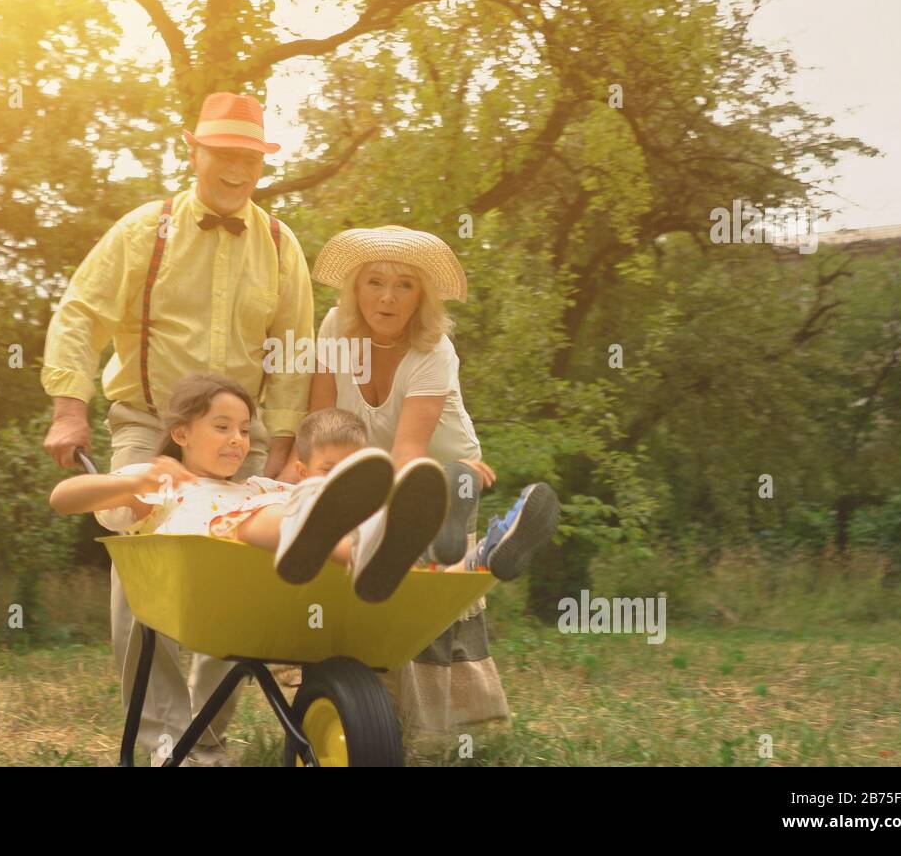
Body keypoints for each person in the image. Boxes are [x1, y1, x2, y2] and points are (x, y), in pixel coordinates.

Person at [40, 92, 313, 765]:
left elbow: (295, 348)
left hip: (237, 433)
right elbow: (81, 313)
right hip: (149, 423)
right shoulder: (145, 230)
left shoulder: (280, 244)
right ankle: (164, 738)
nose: (235, 169)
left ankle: (206, 742)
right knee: (145, 562)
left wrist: (283, 443)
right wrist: (68, 405)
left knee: (234, 577)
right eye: (222, 153)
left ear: (261, 163)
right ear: (194, 150)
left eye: (248, 157)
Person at [291, 225, 561, 734]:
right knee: (374, 582)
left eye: (405, 285)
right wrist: (306, 483)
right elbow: (320, 423)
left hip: (435, 472)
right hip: (357, 467)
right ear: (355, 288)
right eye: (374, 281)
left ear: (423, 296)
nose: (388, 297)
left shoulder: (433, 350)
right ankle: (374, 718)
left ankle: (432, 734)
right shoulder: (333, 328)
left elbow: (408, 451)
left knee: (422, 594)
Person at [49, 374, 451, 602]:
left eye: (244, 429)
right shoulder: (161, 484)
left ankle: (398, 548)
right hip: (210, 586)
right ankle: (333, 533)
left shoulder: (255, 487)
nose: (238, 439)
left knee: (299, 503)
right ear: (182, 434)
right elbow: (62, 500)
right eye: (222, 427)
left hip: (273, 586)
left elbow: (328, 497)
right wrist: (138, 480)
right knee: (267, 515)